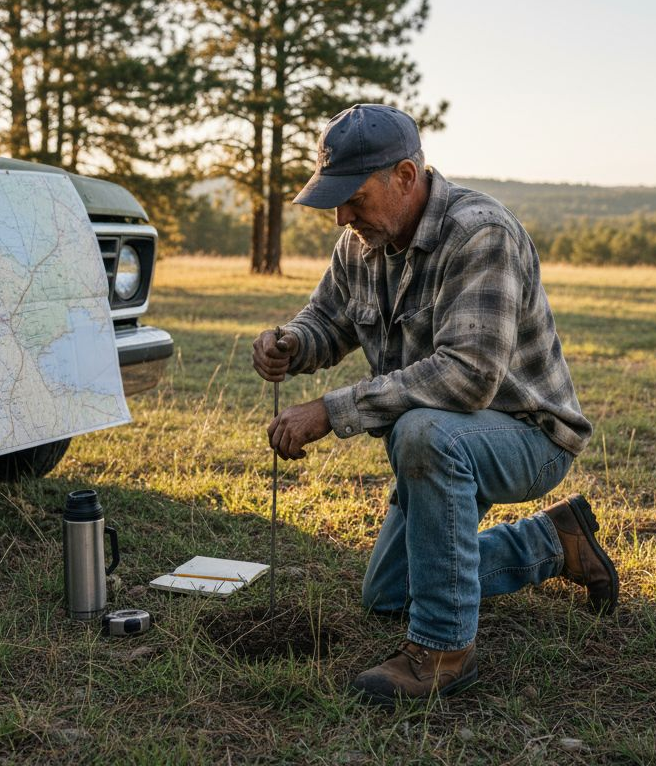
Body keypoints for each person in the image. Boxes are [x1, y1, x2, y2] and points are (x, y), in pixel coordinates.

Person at [251, 103, 619, 706]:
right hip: (447, 443)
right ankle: (555, 543)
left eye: (354, 197)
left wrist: (328, 411)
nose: (341, 215)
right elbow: (328, 319)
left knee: (421, 430)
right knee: (387, 595)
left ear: (404, 175)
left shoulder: (481, 234)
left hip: (528, 438)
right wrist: (291, 344)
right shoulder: (360, 241)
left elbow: (467, 377)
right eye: (334, 198)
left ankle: (443, 650)